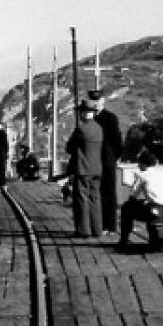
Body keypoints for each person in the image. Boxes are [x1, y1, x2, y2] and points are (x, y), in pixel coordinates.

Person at [116, 148, 163, 251]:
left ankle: (124, 240)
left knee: (126, 207)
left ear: (144, 164)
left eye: (139, 163)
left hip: (154, 210)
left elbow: (133, 196)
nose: (138, 166)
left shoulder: (142, 175)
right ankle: (157, 241)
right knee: (148, 206)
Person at [66, 98, 103, 238]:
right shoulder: (99, 129)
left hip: (83, 169)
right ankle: (97, 229)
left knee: (82, 199)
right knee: (95, 198)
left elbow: (69, 148)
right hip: (96, 168)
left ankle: (83, 229)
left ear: (83, 113)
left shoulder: (81, 129)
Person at [89, 89, 123, 234]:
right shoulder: (92, 118)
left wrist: (114, 157)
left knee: (108, 193)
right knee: (98, 193)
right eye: (94, 101)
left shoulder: (110, 118)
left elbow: (117, 140)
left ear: (103, 101)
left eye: (98, 101)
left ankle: (110, 226)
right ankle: (100, 224)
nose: (96, 104)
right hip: (95, 160)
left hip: (107, 160)